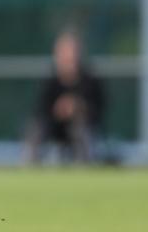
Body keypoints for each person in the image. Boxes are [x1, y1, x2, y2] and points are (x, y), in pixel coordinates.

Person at [25, 30, 105, 164]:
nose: (69, 58)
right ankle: (31, 164)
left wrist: (78, 108)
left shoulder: (90, 80)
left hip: (80, 128)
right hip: (54, 127)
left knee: (81, 129)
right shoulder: (49, 81)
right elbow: (39, 110)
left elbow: (99, 109)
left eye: (72, 53)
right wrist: (57, 110)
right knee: (36, 129)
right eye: (65, 53)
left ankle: (84, 165)